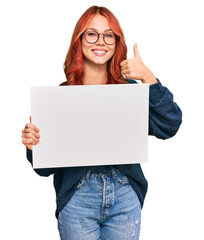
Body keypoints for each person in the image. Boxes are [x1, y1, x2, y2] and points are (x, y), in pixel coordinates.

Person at [21, 6, 182, 240]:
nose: (101, 41)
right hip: (77, 198)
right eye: (92, 34)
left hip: (124, 195)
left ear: (116, 42)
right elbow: (44, 168)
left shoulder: (130, 92)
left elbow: (170, 124)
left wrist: (148, 77)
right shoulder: (61, 96)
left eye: (108, 35)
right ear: (79, 39)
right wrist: (32, 144)